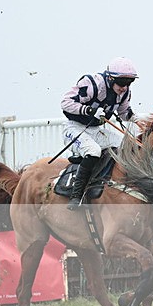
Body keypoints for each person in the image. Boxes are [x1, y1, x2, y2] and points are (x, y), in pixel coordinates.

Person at [61, 57, 139, 210]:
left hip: (97, 130)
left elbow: (123, 113)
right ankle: (76, 195)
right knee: (93, 150)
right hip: (75, 129)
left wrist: (137, 119)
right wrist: (89, 110)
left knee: (128, 146)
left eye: (129, 83)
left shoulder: (124, 93)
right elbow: (65, 102)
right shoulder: (92, 84)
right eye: (122, 83)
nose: (124, 87)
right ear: (110, 78)